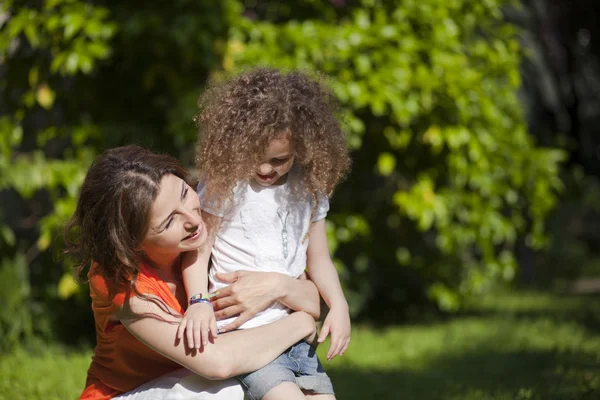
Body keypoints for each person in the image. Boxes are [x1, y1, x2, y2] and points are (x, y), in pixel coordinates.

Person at [64, 145, 321, 400]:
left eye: (185, 193)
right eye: (169, 221)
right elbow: (217, 362)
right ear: (132, 242)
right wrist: (302, 323)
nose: (193, 220)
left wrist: (278, 286)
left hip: (191, 380)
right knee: (230, 387)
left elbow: (314, 299)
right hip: (128, 394)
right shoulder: (119, 279)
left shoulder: (212, 227)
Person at [179, 68, 352, 400]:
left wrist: (339, 305)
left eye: (279, 160)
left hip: (296, 337)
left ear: (302, 147)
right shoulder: (225, 184)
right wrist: (198, 302)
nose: (264, 169)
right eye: (255, 158)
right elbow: (199, 251)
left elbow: (320, 260)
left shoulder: (310, 190)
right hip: (247, 334)